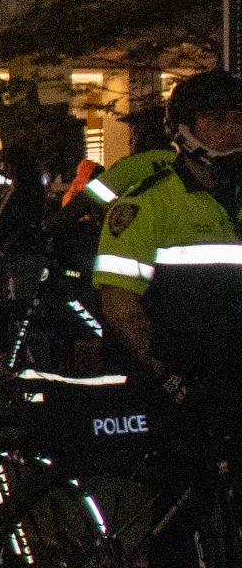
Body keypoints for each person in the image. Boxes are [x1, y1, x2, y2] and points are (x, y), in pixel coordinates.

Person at [94, 69, 242, 412]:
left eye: (238, 118)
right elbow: (121, 307)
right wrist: (168, 377)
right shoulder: (146, 205)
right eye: (218, 119)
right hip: (177, 392)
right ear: (184, 129)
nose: (232, 129)